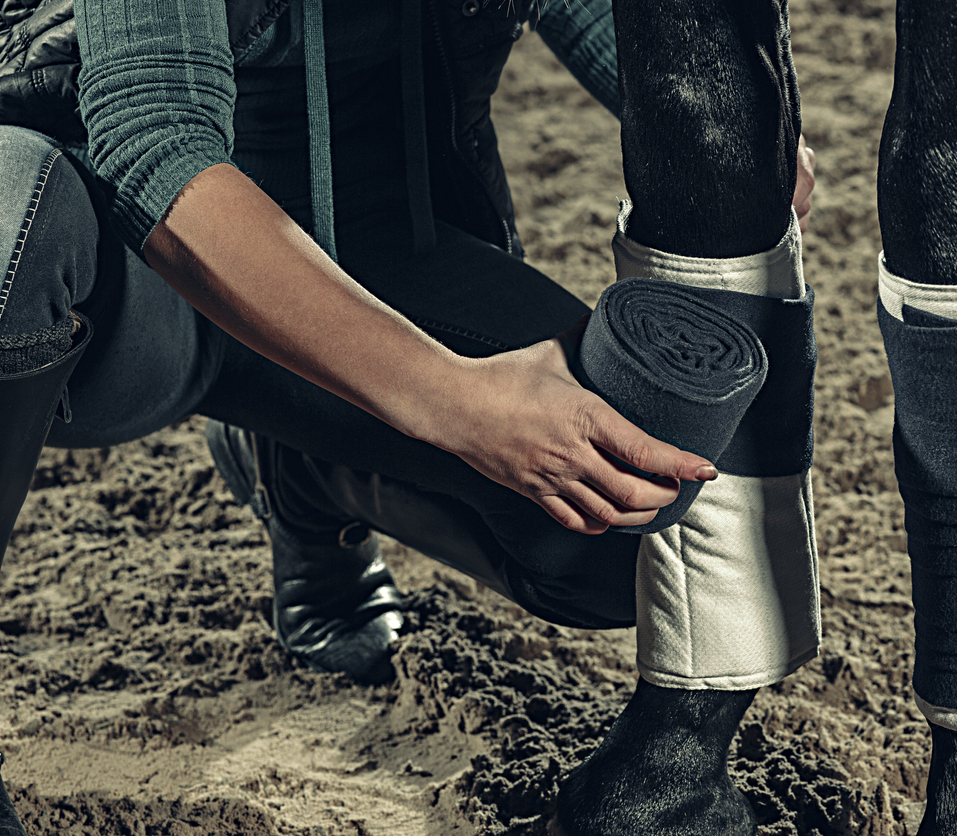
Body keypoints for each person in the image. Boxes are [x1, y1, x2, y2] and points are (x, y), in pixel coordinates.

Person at [0, 0, 816, 832]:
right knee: (6, 209)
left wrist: (739, 139)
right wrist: (456, 401)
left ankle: (307, 474)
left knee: (644, 517)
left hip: (388, 249)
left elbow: (624, 32)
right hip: (123, 267)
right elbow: (152, 140)